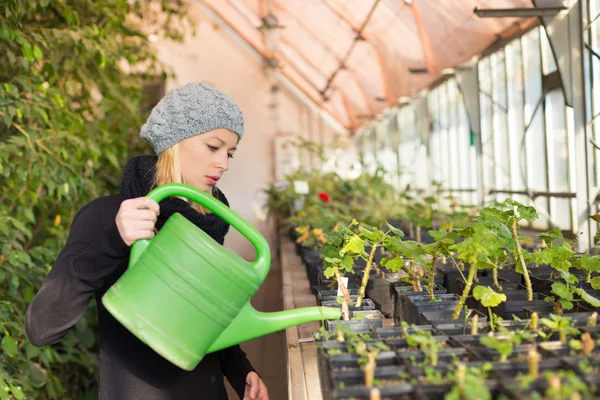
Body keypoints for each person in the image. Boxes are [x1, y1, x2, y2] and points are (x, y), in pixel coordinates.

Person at [24, 83, 270, 400]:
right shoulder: (108, 216)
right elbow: (41, 327)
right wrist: (114, 241)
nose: (224, 163)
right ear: (173, 141)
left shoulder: (205, 222)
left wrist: (241, 370)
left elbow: (202, 316)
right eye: (213, 147)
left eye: (230, 153)